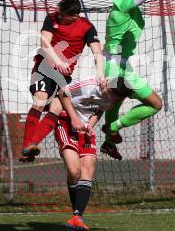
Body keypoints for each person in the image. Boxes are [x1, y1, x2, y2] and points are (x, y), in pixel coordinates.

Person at [101, 0, 175, 160]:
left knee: (115, 103)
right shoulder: (122, 5)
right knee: (155, 104)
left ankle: (109, 139)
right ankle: (111, 128)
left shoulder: (127, 2)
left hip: (121, 66)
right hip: (115, 67)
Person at [19, 0, 105, 162]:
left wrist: (100, 73)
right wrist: (58, 61)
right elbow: (45, 45)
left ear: (74, 16)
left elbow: (97, 53)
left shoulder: (86, 27)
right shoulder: (51, 18)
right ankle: (26, 146)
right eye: (59, 12)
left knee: (57, 110)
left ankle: (31, 147)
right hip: (44, 68)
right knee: (40, 101)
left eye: (63, 15)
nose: (59, 16)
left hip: (64, 77)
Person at [56, 76, 131, 230]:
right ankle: (75, 210)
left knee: (88, 169)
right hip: (66, 122)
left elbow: (99, 110)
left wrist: (90, 125)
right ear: (108, 89)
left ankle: (77, 217)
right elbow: (62, 93)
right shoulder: (89, 86)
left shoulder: (111, 98)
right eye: (114, 98)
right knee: (74, 171)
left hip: (85, 129)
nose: (114, 102)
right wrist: (74, 118)